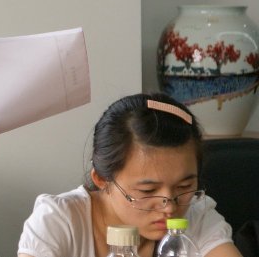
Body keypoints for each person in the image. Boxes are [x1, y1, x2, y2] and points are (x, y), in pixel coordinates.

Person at [17, 93, 242, 257]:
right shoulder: (59, 221)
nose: (169, 208)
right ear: (102, 179)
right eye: (148, 190)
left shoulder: (196, 213)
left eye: (184, 186)